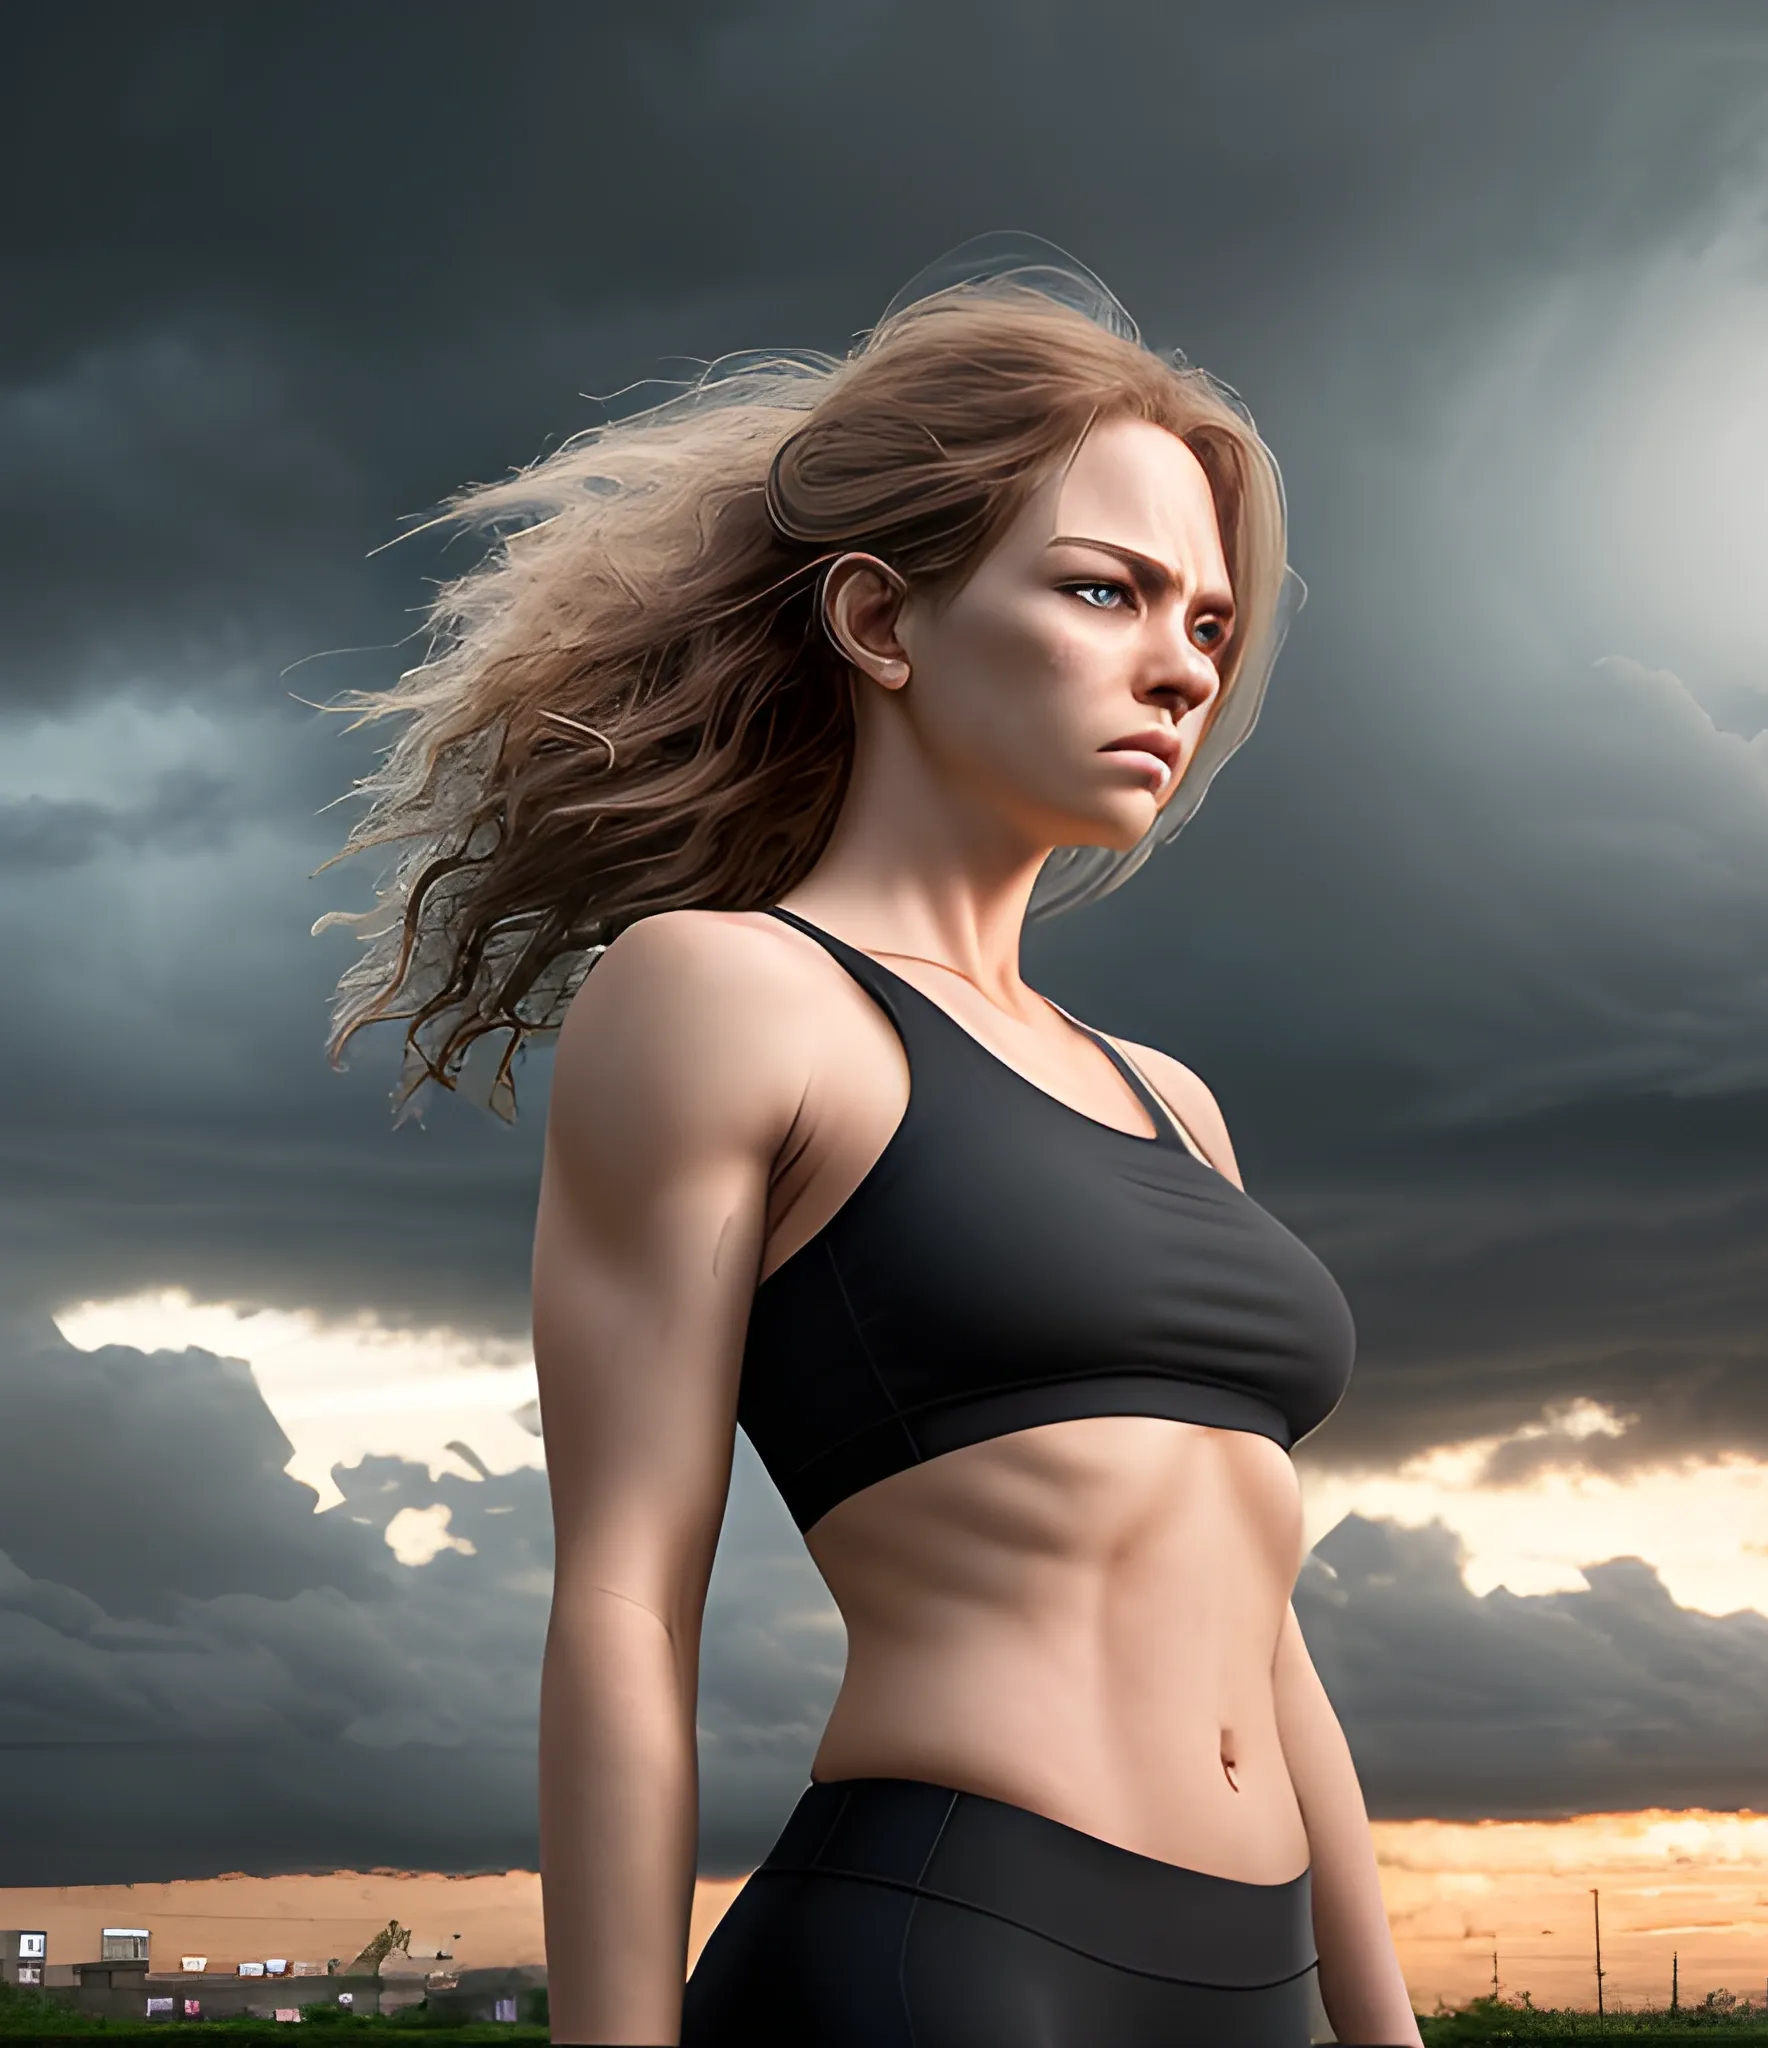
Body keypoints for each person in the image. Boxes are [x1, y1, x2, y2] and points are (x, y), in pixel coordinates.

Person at [323, 240, 1421, 2048]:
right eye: (1103, 593)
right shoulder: (724, 996)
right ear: (881, 621)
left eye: (1208, 623)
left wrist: (1377, 2024)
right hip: (957, 1951)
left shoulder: (1171, 1098)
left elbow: (1260, 1615)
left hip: (1269, 1973)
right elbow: (619, 1592)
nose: (1179, 670)